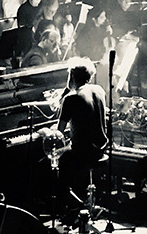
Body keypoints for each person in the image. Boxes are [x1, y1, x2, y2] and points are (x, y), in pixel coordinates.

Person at [56, 59, 109, 204]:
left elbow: (58, 133)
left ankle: (72, 202)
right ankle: (80, 195)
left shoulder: (71, 98)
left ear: (71, 76)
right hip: (100, 148)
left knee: (50, 162)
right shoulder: (99, 90)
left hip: (83, 153)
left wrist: (44, 132)